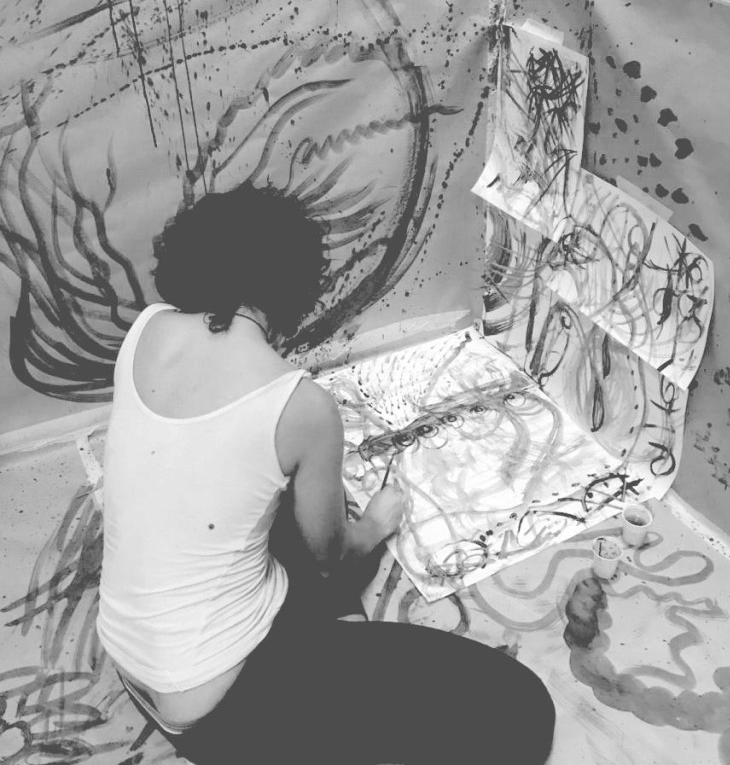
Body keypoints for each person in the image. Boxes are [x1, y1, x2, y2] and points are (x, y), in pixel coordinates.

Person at [97, 183, 555, 764]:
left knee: (275, 510)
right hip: (219, 709)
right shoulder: (298, 404)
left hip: (131, 661)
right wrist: (379, 522)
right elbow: (329, 561)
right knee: (520, 707)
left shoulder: (148, 329)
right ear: (294, 287)